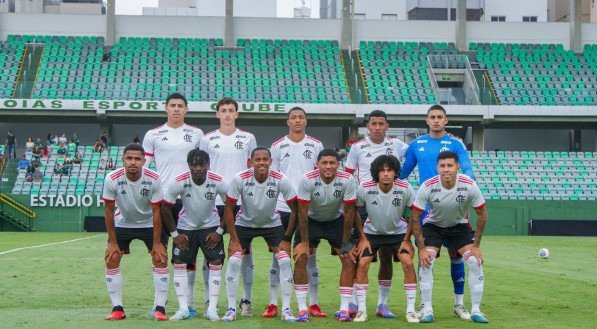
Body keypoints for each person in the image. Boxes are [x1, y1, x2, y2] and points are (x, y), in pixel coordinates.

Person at [399, 104, 475, 320]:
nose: (436, 120)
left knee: (456, 254)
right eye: (432, 117)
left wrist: (469, 183)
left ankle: (459, 303)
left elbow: (467, 168)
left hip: (454, 206)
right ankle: (425, 304)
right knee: (426, 256)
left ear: (446, 120)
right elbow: (403, 172)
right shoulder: (417, 144)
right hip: (426, 208)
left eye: (439, 117)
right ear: (427, 120)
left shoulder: (455, 144)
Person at [410, 151, 489, 323]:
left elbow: (482, 214)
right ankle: (427, 308)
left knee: (475, 261)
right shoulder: (428, 185)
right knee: (426, 261)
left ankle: (475, 310)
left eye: (450, 165)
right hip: (433, 227)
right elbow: (415, 216)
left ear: (457, 167)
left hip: (459, 227)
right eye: (442, 166)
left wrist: (476, 245)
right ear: (437, 168)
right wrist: (422, 248)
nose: (446, 169)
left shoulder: (469, 185)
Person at [143, 92, 203, 317]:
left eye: (180, 106)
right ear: (165, 108)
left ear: (186, 109)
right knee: (159, 250)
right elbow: (146, 168)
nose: (176, 109)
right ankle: (159, 303)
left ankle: (189, 302)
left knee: (188, 252)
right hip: (163, 200)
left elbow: (202, 165)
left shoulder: (196, 134)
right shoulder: (153, 134)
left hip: (189, 201)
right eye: (172, 106)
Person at [344, 110, 408, 318]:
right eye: (374, 123)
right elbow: (347, 175)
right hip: (364, 204)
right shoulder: (357, 147)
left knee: (387, 256)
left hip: (389, 202)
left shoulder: (397, 145)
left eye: (381, 123)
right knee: (358, 255)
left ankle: (382, 304)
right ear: (368, 126)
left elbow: (416, 152)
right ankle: (353, 302)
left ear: (387, 126)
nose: (378, 127)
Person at [221, 147, 298, 322]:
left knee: (285, 260)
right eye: (258, 160)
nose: (261, 163)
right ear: (251, 162)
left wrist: (286, 238)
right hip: (244, 224)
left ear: (271, 161)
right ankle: (233, 308)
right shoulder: (239, 178)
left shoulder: (280, 179)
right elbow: (228, 208)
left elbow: (295, 209)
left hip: (272, 224)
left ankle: (286, 309)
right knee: (234, 260)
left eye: (265, 159)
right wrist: (233, 240)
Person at [291, 148, 366, 322]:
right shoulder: (307, 179)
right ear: (317, 164)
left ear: (338, 165)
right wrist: (304, 241)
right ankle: (303, 309)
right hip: (311, 221)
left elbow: (349, 212)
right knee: (301, 257)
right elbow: (302, 212)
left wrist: (347, 241)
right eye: (324, 163)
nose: (328, 166)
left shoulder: (347, 179)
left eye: (332, 163)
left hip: (335, 221)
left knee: (349, 258)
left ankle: (344, 309)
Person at [264, 106, 324, 319]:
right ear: (287, 121)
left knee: (309, 256)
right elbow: (275, 177)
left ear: (306, 121)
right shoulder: (277, 146)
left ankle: (313, 303)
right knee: (278, 255)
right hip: (283, 207)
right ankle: (273, 303)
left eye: (301, 118)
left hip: (309, 208)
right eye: (293, 118)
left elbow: (321, 174)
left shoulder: (316, 145)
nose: (297, 121)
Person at [199, 97, 257, 316]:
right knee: (209, 251)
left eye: (231, 110)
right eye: (223, 110)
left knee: (244, 250)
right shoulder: (207, 139)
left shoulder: (248, 138)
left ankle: (246, 300)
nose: (227, 114)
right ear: (217, 114)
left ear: (237, 114)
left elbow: (253, 168)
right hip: (213, 202)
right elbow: (202, 169)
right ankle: (208, 300)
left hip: (241, 201)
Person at [101, 143, 169, 321]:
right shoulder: (112, 178)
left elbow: (157, 212)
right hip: (123, 222)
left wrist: (156, 243)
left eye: (137, 159)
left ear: (144, 161)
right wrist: (113, 242)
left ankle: (160, 308)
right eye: (129, 158)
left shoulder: (154, 178)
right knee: (112, 258)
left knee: (160, 258)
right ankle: (117, 308)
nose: (133, 162)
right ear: (123, 160)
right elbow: (108, 211)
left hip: (149, 223)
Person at [161, 149, 228, 321]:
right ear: (189, 166)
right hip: (185, 228)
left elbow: (230, 206)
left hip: (211, 227)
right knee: (179, 262)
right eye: (195, 164)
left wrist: (220, 231)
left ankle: (212, 309)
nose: (198, 168)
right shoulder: (179, 181)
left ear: (208, 165)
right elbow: (165, 207)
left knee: (215, 261)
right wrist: (175, 234)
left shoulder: (218, 181)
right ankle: (183, 308)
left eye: (202, 164)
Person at [354, 155, 419, 323]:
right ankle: (361, 310)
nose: (386, 174)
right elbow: (355, 212)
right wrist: (362, 238)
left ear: (396, 172)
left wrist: (407, 239)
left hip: (398, 234)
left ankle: (409, 310)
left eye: (389, 170)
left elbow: (414, 214)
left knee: (408, 263)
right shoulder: (365, 187)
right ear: (376, 173)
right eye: (382, 170)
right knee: (363, 263)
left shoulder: (405, 188)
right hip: (371, 233)